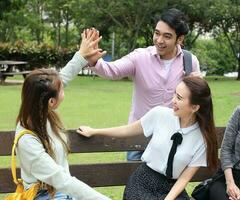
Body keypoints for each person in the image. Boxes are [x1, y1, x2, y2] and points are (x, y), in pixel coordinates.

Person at [85, 8, 201, 161]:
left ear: (179, 39)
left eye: (167, 36)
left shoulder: (190, 61)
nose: (159, 40)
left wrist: (199, 86)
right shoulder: (140, 57)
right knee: (134, 183)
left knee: (166, 184)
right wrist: (94, 61)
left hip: (172, 138)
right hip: (138, 136)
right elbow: (112, 70)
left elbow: (198, 101)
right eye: (157, 33)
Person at [77, 76, 218, 200]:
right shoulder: (159, 115)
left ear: (194, 107)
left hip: (171, 189)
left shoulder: (202, 139)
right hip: (143, 182)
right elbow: (127, 130)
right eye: (174, 94)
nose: (173, 100)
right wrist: (94, 131)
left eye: (179, 98)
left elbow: (184, 179)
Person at [15, 31, 110, 200]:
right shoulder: (27, 140)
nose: (63, 87)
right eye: (61, 89)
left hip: (60, 191)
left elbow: (62, 77)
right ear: (51, 102)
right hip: (44, 195)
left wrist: (82, 55)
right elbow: (61, 180)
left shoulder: (41, 110)